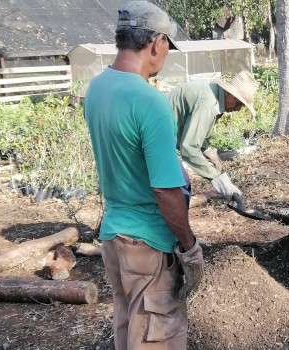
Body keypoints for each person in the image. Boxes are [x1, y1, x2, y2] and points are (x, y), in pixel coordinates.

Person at [83, 2, 204, 349]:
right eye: (168, 45)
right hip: (149, 247)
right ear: (156, 42)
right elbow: (166, 192)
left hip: (114, 238)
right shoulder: (150, 101)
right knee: (156, 337)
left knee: (128, 330)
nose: (166, 54)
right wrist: (189, 246)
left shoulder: (97, 89)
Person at [166, 71, 259, 202]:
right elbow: (188, 149)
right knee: (180, 189)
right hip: (154, 137)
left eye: (242, 106)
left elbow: (193, 132)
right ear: (229, 94)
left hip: (162, 134)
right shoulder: (208, 105)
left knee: (180, 189)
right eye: (238, 103)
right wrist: (217, 179)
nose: (238, 109)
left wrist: (206, 150)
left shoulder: (214, 95)